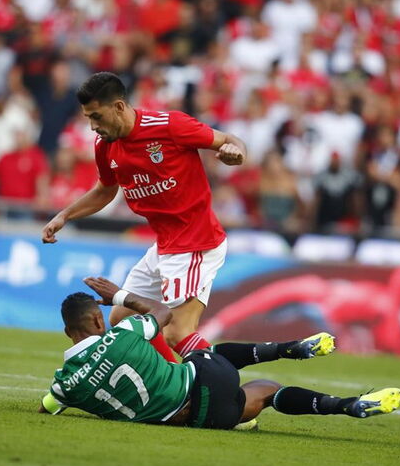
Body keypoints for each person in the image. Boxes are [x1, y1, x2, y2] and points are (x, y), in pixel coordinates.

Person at [41, 72, 247, 363]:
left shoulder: (169, 126)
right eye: (88, 118)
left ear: (120, 107)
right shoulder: (105, 145)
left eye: (97, 117)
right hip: (164, 244)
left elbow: (229, 140)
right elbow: (105, 190)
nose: (92, 126)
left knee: (178, 333)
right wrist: (64, 215)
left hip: (196, 241)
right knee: (122, 317)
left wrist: (236, 153)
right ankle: (178, 383)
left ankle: (215, 387)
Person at [39, 277, 400, 429]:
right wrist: (120, 296)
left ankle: (348, 405)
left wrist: (51, 403)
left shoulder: (65, 384)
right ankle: (289, 349)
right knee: (206, 354)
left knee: (266, 393)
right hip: (204, 379)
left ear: (68, 332)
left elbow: (48, 406)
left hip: (195, 419)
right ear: (96, 320)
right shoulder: (123, 333)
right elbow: (162, 315)